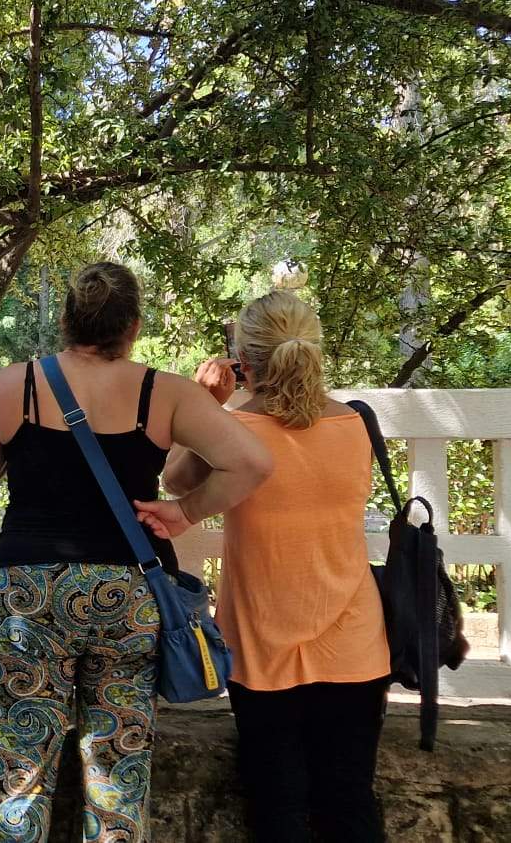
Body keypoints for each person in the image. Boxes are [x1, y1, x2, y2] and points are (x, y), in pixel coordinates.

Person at [0, 262, 273, 843]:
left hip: (32, 592)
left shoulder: (14, 383)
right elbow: (252, 462)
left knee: (20, 763)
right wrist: (186, 511)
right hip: (126, 595)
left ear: (67, 322)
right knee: (117, 766)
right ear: (133, 326)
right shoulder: (165, 392)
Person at [163, 291, 390, 842]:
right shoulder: (357, 425)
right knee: (349, 803)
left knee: (277, 805)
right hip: (356, 641)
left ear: (243, 357)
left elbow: (175, 481)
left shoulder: (235, 431)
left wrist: (204, 402)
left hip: (261, 639)